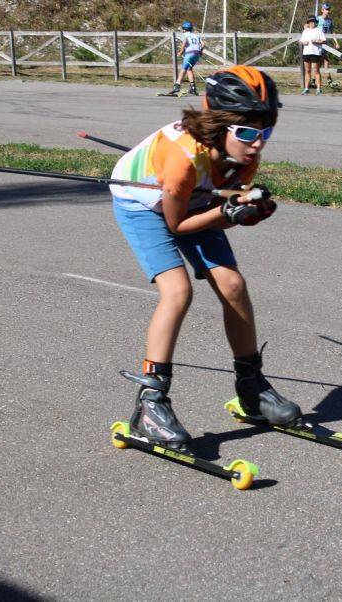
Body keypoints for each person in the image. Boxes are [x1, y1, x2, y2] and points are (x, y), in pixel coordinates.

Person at [110, 65, 302, 454]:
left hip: (195, 199)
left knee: (233, 285)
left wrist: (246, 211)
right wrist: (227, 213)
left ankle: (252, 388)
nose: (258, 144)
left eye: (265, 133)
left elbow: (224, 207)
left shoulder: (243, 153)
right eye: (247, 133)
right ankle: (150, 403)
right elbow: (179, 225)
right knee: (177, 291)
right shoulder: (181, 160)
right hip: (144, 203)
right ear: (220, 124)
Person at [167, 21, 203, 96]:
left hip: (189, 53)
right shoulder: (196, 35)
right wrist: (200, 51)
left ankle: (177, 86)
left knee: (183, 69)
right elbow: (203, 44)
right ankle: (193, 88)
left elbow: (184, 43)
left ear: (184, 29)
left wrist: (181, 52)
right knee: (189, 69)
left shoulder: (185, 35)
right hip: (196, 54)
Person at [299, 15, 325, 95]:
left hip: (315, 53)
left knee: (316, 71)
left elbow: (324, 41)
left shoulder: (318, 30)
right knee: (307, 71)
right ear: (308, 23)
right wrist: (304, 42)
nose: (312, 23)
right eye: (311, 22)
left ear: (316, 23)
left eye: (313, 22)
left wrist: (316, 42)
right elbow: (301, 41)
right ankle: (306, 88)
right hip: (306, 53)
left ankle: (318, 89)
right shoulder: (305, 31)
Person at [317, 3, 341, 88]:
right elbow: (310, 28)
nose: (328, 11)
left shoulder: (329, 21)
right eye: (326, 9)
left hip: (325, 44)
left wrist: (336, 42)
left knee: (323, 62)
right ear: (322, 10)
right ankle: (328, 80)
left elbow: (332, 32)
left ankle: (325, 80)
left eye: (329, 9)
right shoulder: (318, 19)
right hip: (317, 44)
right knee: (322, 62)